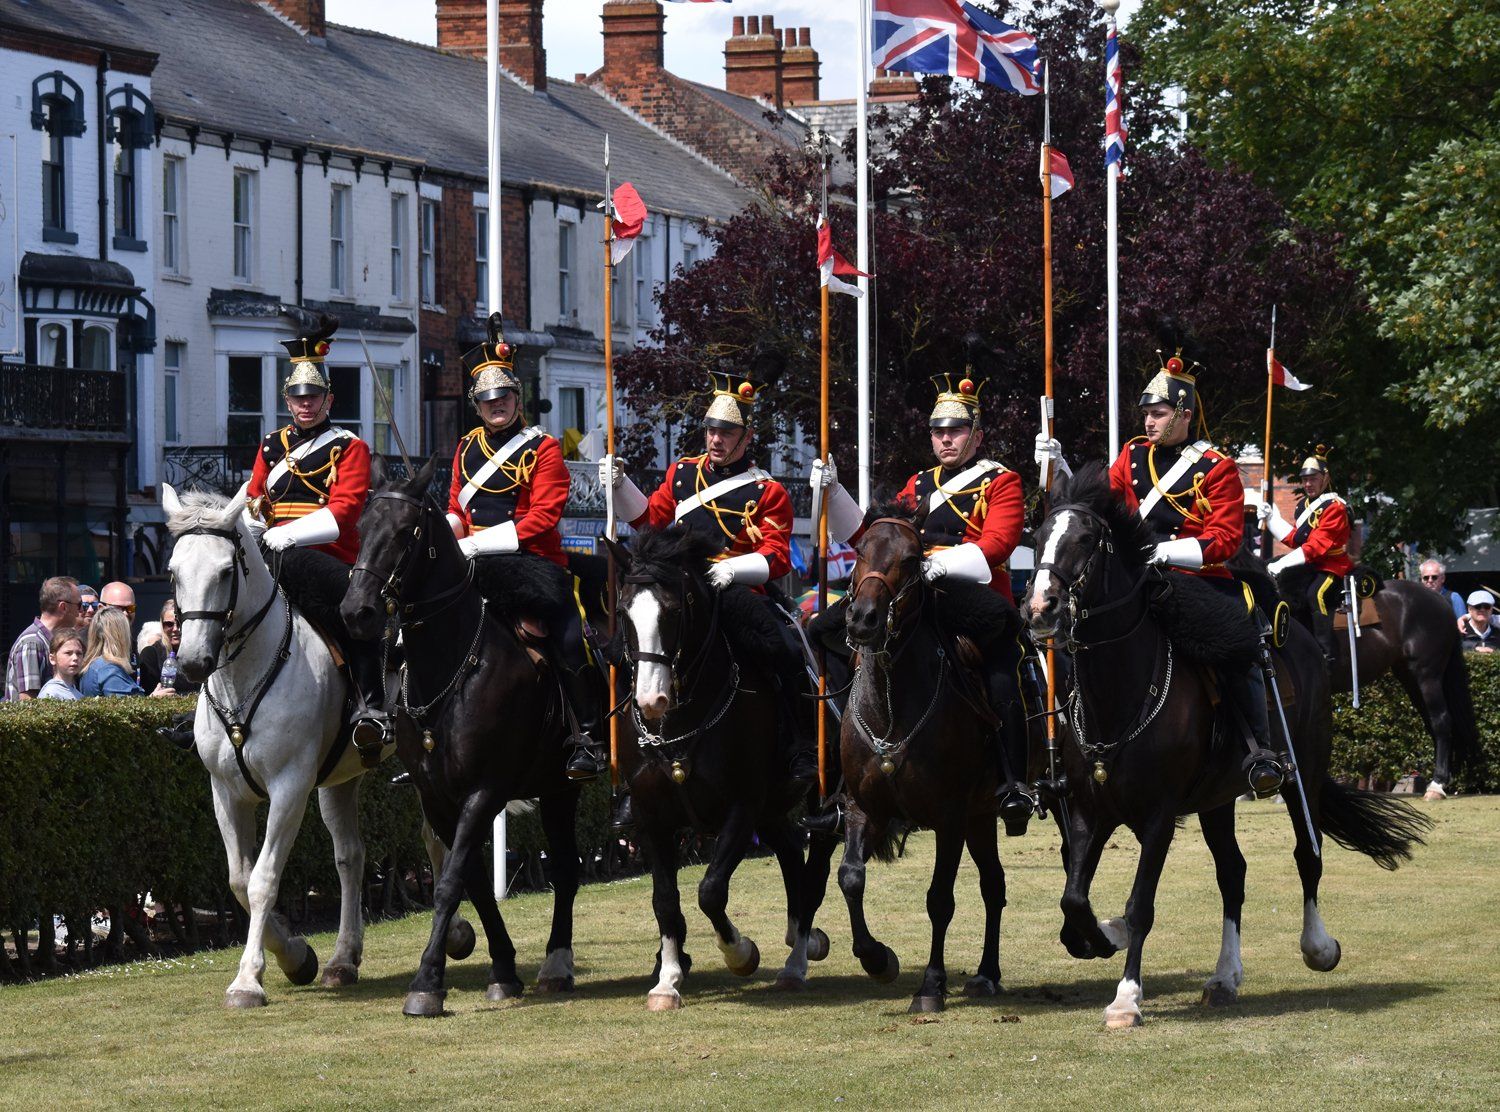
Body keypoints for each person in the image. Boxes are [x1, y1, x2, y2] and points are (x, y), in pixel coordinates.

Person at [1037, 349, 1284, 796]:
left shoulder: (1218, 467)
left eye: (1159, 413)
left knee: (1233, 644)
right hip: (1137, 580)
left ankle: (1258, 750)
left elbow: (1225, 539)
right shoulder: (1133, 455)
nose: (1149, 421)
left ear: (1184, 414)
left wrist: (1167, 553)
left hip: (1196, 579)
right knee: (1082, 631)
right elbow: (1096, 502)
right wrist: (1059, 466)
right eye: (1147, 414)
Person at [811, 372, 1035, 833]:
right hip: (910, 593)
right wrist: (833, 493)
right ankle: (838, 781)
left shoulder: (1002, 481)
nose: (945, 438)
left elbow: (997, 544)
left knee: (1001, 667)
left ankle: (1012, 782)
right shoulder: (917, 484)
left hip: (972, 595)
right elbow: (872, 534)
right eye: (938, 431)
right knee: (826, 632)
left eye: (955, 430)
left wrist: (931, 567)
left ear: (977, 435)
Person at [600, 367, 814, 825]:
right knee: (622, 651)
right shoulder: (682, 475)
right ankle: (628, 767)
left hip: (736, 590)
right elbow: (648, 521)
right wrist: (620, 485)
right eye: (712, 429)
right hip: (680, 591)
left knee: (784, 650)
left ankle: (798, 748)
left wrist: (728, 570)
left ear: (746, 436)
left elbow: (777, 556)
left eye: (727, 431)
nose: (716, 439)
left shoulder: (767, 490)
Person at [446, 313, 605, 779]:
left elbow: (543, 518)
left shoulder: (545, 448)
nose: (497, 405)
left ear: (518, 398)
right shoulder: (465, 447)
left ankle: (589, 737)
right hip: (474, 563)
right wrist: (449, 528)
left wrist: (476, 546)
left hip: (531, 561)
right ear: (476, 404)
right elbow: (458, 506)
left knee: (569, 637)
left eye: (505, 397)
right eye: (488, 399)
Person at [245, 313, 387, 764]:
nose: (306, 403)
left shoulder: (350, 447)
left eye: (314, 395)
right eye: (297, 395)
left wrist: (284, 537)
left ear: (329, 398)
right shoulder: (271, 446)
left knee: (357, 609)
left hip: (325, 557)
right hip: (273, 553)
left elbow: (344, 513)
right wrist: (252, 530)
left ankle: (372, 704)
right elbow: (254, 498)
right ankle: (202, 708)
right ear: (287, 399)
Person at [1261, 446, 1354, 667]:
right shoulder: (1304, 506)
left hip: (1332, 565)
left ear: (1325, 478)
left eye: (1313, 479)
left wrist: (1283, 563)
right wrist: (1272, 518)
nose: (1308, 484)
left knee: (1316, 595)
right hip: (1310, 563)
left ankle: (1325, 653)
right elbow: (1296, 539)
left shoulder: (1335, 508)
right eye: (1305, 480)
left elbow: (1316, 546)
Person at [4, 576, 80, 701]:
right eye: (79, 605)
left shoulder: (49, 640)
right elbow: (28, 702)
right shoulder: (32, 643)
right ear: (63, 607)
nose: (81, 611)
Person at [80, 607, 170, 697]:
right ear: (120, 635)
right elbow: (126, 708)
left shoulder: (93, 666)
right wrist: (154, 698)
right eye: (127, 631)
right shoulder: (109, 670)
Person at [138, 599, 201, 695]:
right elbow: (147, 695)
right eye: (169, 624)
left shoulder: (200, 652)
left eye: (180, 623)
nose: (175, 629)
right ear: (162, 625)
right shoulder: (151, 654)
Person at [38, 627, 86, 700]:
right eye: (68, 653)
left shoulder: (77, 693)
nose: (75, 658)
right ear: (52, 659)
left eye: (79, 653)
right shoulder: (50, 693)